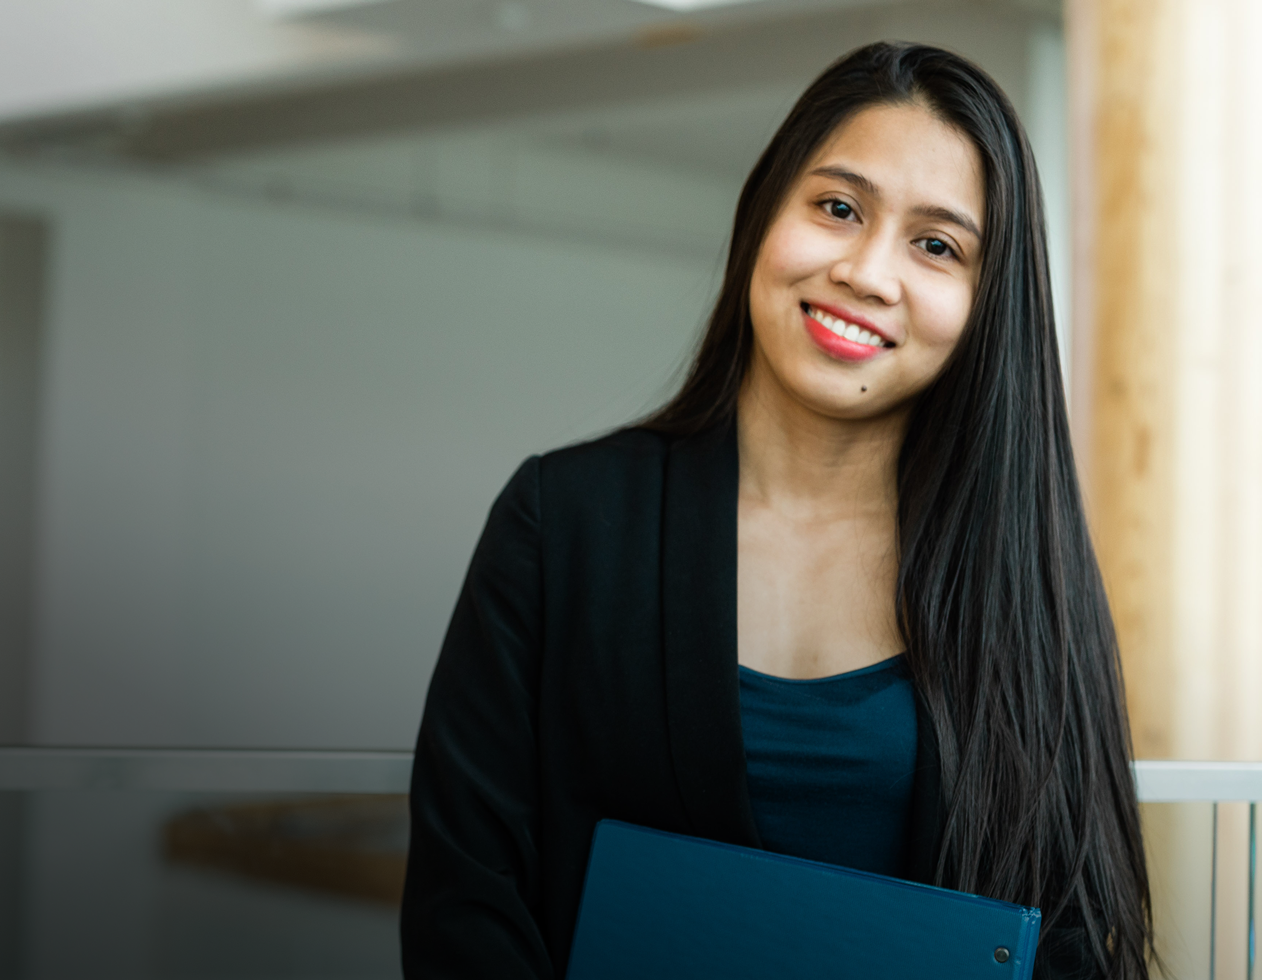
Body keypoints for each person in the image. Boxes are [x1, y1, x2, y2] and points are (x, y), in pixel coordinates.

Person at [400, 41, 1151, 979]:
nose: (868, 272)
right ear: (765, 213)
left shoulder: (1022, 572)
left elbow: (1068, 931)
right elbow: (464, 892)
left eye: (937, 246)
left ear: (985, 306)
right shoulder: (564, 520)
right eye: (837, 207)